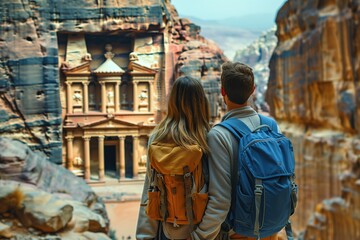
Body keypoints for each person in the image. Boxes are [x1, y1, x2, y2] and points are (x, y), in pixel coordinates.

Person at [191, 62, 280, 240]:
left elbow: (221, 201)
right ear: (253, 90)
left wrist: (198, 236)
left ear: (223, 91)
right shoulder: (270, 125)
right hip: (270, 229)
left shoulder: (218, 135)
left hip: (239, 232)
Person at [136, 75, 211, 240]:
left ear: (172, 102)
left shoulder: (156, 137)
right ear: (201, 103)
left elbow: (150, 188)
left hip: (168, 228)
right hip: (200, 229)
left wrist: (144, 235)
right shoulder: (206, 137)